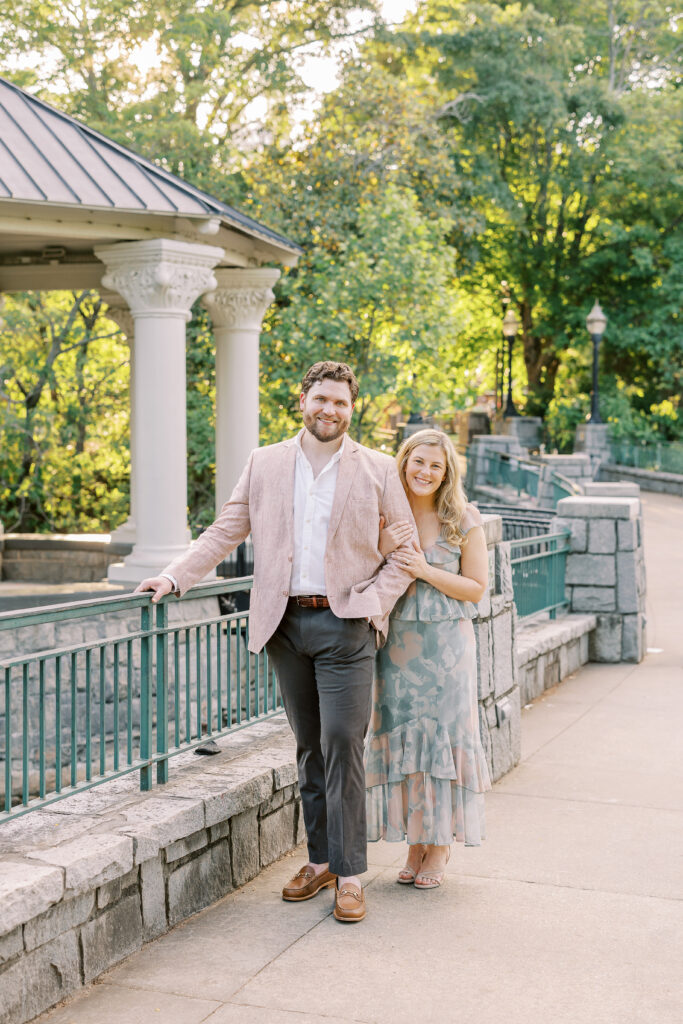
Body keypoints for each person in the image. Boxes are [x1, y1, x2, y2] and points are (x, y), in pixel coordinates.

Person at [135, 361, 415, 922]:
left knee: (343, 743)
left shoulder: (380, 469)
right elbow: (224, 530)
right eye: (321, 399)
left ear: (351, 407)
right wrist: (174, 577)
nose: (329, 410)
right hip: (284, 625)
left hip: (346, 625)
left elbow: (407, 553)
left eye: (340, 402)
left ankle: (352, 873)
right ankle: (320, 861)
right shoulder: (265, 463)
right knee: (309, 746)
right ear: (303, 400)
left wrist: (370, 602)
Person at [365, 428, 491, 888]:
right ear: (403, 462)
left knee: (443, 741)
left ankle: (438, 848)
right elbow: (360, 568)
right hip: (395, 645)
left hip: (447, 649)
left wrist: (425, 570)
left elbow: (476, 589)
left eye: (435, 465)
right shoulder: (385, 515)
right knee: (402, 740)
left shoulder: (463, 518)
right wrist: (382, 547)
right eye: (418, 461)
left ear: (446, 473)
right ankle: (414, 843)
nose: (425, 471)